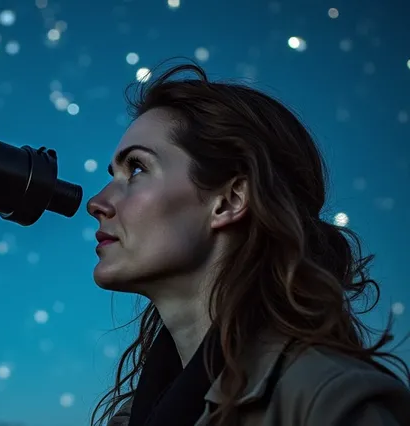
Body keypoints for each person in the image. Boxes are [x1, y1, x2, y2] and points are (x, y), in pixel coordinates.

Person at [85, 61, 410, 426]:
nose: (96, 202)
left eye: (138, 169)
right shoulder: (133, 418)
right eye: (114, 174)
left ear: (230, 201)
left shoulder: (329, 404)